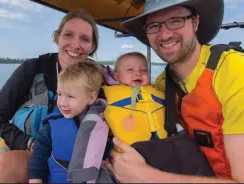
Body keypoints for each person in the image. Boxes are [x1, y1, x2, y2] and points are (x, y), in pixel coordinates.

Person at [105, 0, 244, 183]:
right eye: (154, 26)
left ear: (195, 23)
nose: (165, 34)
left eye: (176, 20)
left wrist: (145, 176)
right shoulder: (162, 84)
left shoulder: (236, 71)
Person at [0, 9, 100, 183]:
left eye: (84, 39)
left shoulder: (99, 78)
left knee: (3, 165)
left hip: (59, 156)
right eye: (69, 35)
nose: (76, 45)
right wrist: (29, 143)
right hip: (24, 143)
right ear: (57, 38)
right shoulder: (32, 69)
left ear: (92, 47)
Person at [68, 52, 214, 183]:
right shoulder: (107, 97)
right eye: (130, 70)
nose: (138, 74)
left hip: (168, 148)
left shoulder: (160, 91)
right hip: (131, 154)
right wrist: (84, 169)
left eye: (143, 70)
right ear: (117, 76)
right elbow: (91, 128)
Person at [28, 61, 105, 183]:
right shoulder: (51, 128)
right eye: (59, 94)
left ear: (91, 98)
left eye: (70, 96)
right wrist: (35, 180)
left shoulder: (103, 126)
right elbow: (38, 159)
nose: (62, 103)